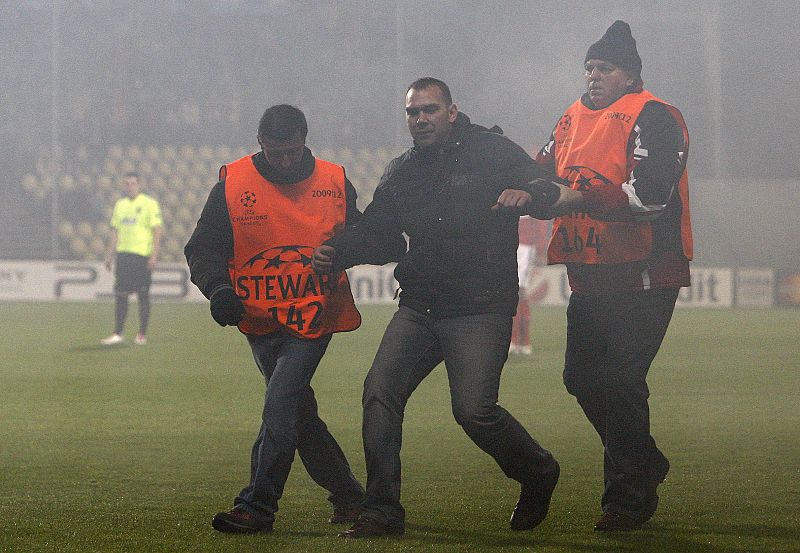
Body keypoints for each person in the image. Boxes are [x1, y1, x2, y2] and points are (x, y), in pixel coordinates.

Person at [312, 77, 561, 538]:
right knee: (379, 394)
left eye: (429, 110)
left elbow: (547, 183)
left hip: (480, 307)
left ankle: (537, 472)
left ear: (451, 111)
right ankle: (382, 510)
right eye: (413, 112)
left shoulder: (492, 149)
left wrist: (532, 195)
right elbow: (381, 234)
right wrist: (340, 251)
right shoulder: (402, 171)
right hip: (420, 306)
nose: (420, 119)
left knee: (474, 412)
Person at [184, 104, 404, 534]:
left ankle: (257, 506)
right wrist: (220, 291)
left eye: (292, 151)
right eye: (275, 152)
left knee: (281, 402)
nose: (285, 161)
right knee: (298, 414)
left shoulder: (334, 181)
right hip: (258, 318)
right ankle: (349, 496)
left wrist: (344, 250)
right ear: (260, 142)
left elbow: (377, 240)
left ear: (304, 140)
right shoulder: (232, 183)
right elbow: (202, 248)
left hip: (314, 315)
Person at [520, 21, 693, 531]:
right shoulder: (570, 119)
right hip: (590, 275)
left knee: (619, 381)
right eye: (590, 67)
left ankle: (626, 497)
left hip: (644, 273)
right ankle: (643, 464)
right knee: (583, 380)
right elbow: (541, 173)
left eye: (605, 68)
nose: (593, 76)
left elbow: (650, 198)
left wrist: (574, 197)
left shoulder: (654, 116)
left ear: (630, 75)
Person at [101, 172, 163, 346]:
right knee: (121, 294)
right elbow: (115, 231)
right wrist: (109, 255)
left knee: (143, 295)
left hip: (141, 256)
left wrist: (154, 255)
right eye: (127, 183)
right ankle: (118, 332)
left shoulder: (149, 204)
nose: (130, 186)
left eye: (133, 183)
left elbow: (157, 231)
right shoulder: (120, 205)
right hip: (124, 255)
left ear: (139, 184)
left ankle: (142, 333)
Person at [510, 216, 550, 355]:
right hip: (511, 245)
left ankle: (521, 340)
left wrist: (540, 248)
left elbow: (540, 220)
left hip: (525, 247)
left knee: (519, 293)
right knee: (515, 293)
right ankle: (518, 341)